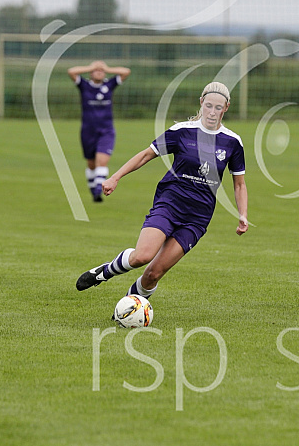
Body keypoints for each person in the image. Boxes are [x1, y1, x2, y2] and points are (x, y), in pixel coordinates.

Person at [75, 82, 248, 304]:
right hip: (170, 204)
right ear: (201, 103)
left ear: (226, 108)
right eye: (208, 105)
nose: (212, 112)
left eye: (218, 107)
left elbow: (239, 184)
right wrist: (115, 177)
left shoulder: (233, 142)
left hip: (197, 217)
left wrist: (242, 214)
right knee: (142, 257)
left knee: (153, 274)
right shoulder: (182, 131)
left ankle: (129, 308)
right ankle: (105, 272)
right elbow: (146, 155)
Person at [67, 60, 131, 202]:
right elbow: (71, 71)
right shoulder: (84, 86)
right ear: (90, 72)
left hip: (106, 130)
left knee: (102, 161)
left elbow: (126, 71)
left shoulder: (109, 85)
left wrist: (107, 68)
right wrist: (91, 66)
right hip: (88, 131)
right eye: (96, 70)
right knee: (91, 163)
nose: (99, 71)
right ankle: (92, 187)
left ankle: (98, 190)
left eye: (101, 70)